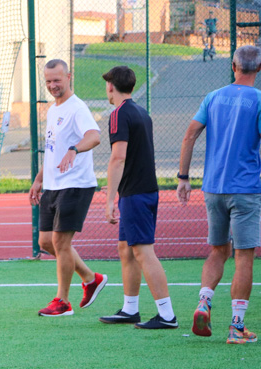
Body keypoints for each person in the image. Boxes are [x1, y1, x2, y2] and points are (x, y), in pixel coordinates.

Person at [177, 45, 261, 344]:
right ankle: (237, 327)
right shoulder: (259, 100)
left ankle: (204, 302)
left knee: (217, 250)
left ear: (234, 66)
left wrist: (184, 177)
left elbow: (189, 135)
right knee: (244, 256)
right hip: (246, 189)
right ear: (259, 69)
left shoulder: (213, 97)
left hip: (213, 188)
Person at [99, 66, 177, 329]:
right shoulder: (142, 112)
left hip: (135, 194)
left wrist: (109, 200)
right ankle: (130, 309)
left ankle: (167, 315)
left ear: (111, 86)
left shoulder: (119, 114)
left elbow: (118, 157)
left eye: (107, 84)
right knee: (126, 249)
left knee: (143, 252)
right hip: (144, 191)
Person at [29, 59, 107, 317]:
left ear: (69, 76)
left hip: (75, 184)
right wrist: (40, 178)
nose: (52, 85)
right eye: (48, 81)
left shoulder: (77, 108)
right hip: (53, 184)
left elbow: (94, 136)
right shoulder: (53, 109)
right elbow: (53, 150)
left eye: (57, 80)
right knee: (46, 242)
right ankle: (89, 277)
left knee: (61, 242)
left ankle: (62, 301)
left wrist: (75, 149)